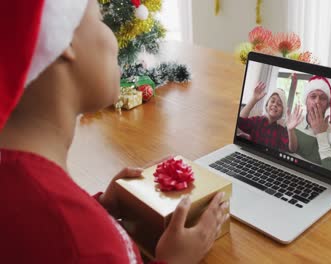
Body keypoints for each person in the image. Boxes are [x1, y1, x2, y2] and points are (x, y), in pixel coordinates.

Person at [0, 1, 228, 263]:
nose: (116, 38)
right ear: (64, 41)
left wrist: (99, 208)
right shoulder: (91, 244)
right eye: (100, 19)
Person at [288, 76, 331, 175]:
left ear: (328, 105)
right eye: (313, 96)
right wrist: (290, 130)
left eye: (322, 98)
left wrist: (321, 135)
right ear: (306, 101)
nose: (317, 101)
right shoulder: (295, 122)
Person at [238, 82, 303, 152]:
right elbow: (241, 122)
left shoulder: (281, 131)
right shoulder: (257, 121)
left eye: (279, 104)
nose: (275, 104)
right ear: (266, 105)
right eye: (272, 101)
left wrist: (290, 130)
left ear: (282, 113)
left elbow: (293, 149)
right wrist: (254, 99)